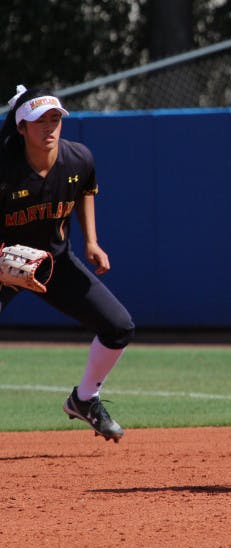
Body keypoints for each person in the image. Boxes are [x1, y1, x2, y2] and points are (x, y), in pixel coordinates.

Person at [0, 85, 135, 442]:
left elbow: (85, 189)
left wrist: (91, 241)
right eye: (39, 121)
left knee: (119, 327)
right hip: (3, 264)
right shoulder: (5, 170)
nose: (49, 127)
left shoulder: (78, 159)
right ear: (21, 127)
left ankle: (85, 399)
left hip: (54, 263)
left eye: (55, 119)